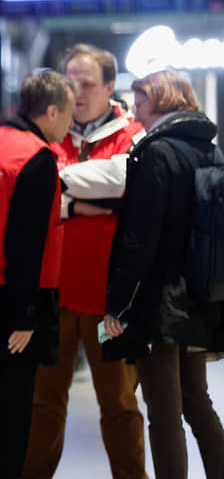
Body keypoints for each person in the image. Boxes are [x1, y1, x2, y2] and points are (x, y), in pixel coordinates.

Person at [22, 44, 148, 479]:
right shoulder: (46, 133)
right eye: (69, 83)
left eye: (87, 84)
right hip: (52, 293)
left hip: (109, 299)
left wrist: (56, 183)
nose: (76, 93)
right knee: (42, 404)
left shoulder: (133, 134)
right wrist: (77, 202)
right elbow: (29, 201)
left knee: (119, 405)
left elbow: (126, 179)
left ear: (111, 86)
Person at [0, 70, 77, 478]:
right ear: (52, 109)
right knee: (9, 416)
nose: (70, 123)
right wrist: (27, 314)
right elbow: (27, 243)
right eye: (70, 113)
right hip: (10, 299)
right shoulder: (36, 158)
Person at [104, 69, 224, 479]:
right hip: (201, 292)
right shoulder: (209, 149)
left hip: (159, 301)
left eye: (140, 99)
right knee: (197, 401)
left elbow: (139, 235)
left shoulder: (156, 152)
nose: (135, 108)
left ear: (161, 99)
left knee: (163, 413)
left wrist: (117, 302)